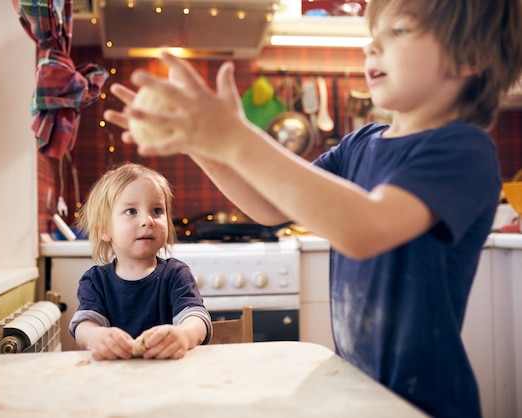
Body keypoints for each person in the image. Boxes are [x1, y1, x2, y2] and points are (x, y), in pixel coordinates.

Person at [103, 0, 522, 415]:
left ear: (471, 56)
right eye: (372, 36)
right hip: (358, 389)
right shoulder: (361, 144)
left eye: (398, 32)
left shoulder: (462, 150)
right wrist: (204, 145)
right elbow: (270, 207)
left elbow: (365, 229)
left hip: (424, 402)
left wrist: (235, 138)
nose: (370, 49)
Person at [69, 163, 212, 360]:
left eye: (156, 210)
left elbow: (196, 318)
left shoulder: (176, 274)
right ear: (104, 229)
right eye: (131, 211)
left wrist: (184, 335)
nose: (147, 221)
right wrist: (97, 336)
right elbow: (83, 326)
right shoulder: (95, 281)